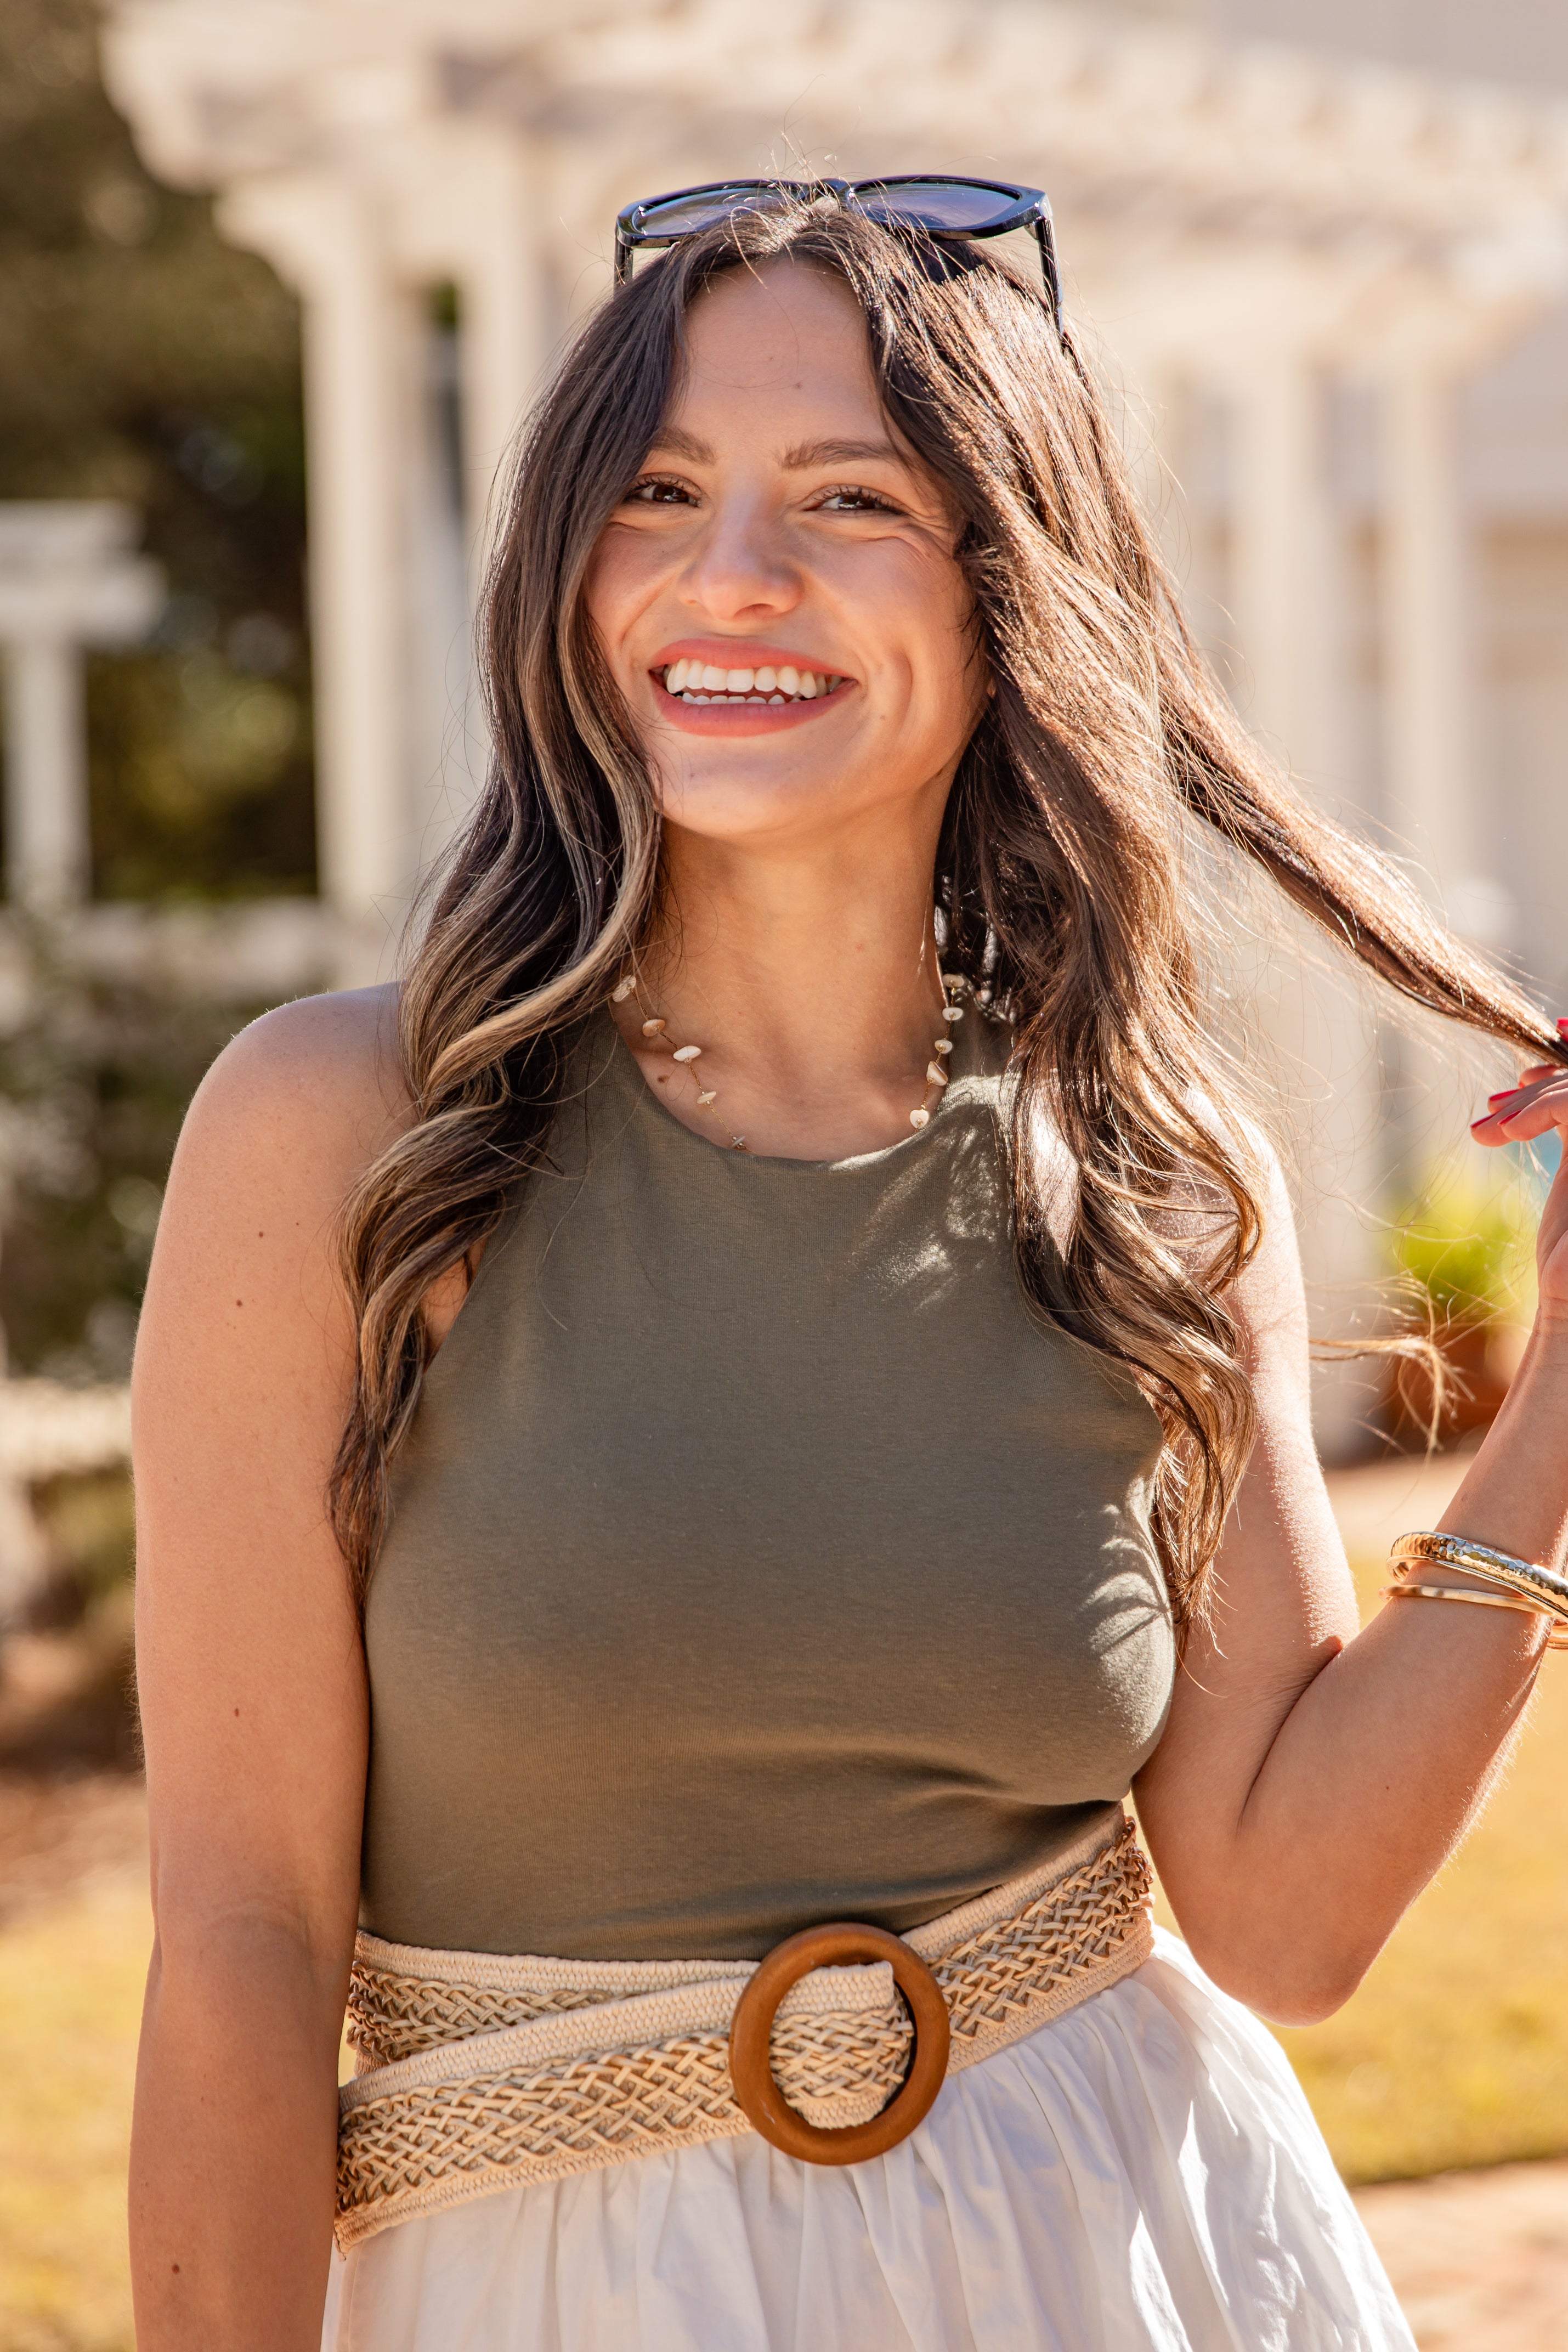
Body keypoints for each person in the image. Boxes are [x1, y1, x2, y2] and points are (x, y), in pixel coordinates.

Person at [127, 184, 1568, 2352]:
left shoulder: (1156, 1172)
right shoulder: (339, 1136)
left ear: (1008, 587)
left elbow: (1282, 1917)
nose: (730, 577)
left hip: (1121, 2259)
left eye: (849, 498)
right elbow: (240, 1938)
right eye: (660, 494)